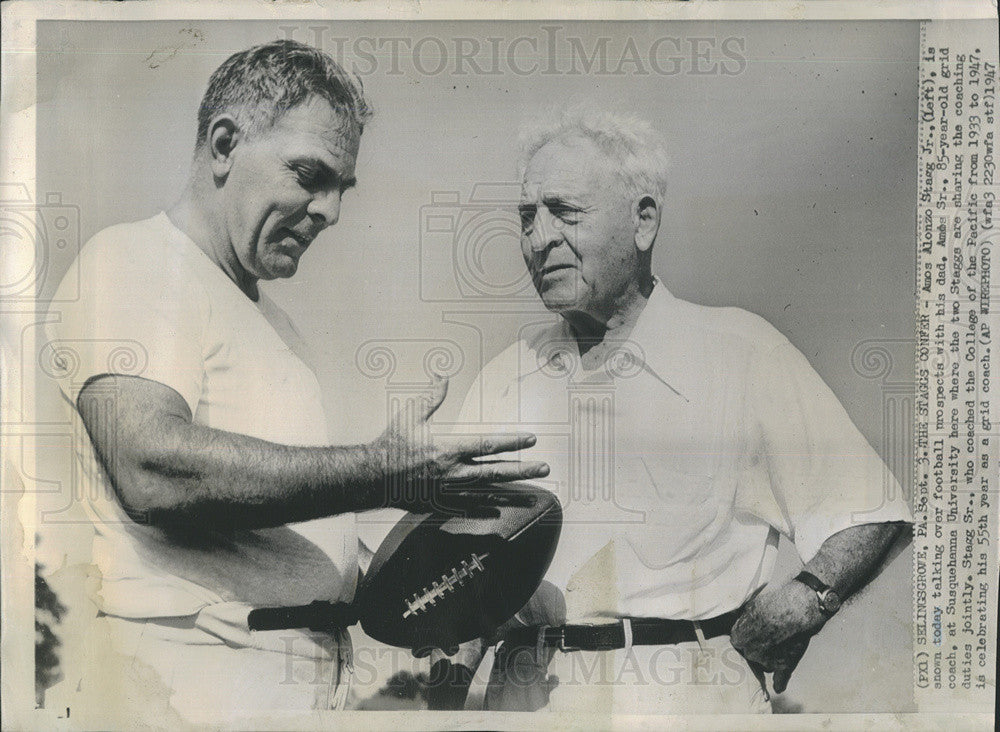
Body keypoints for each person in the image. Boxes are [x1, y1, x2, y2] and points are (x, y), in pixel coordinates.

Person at [43, 40, 548, 723]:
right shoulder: (135, 263)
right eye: (310, 174)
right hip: (192, 688)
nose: (330, 211)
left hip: (294, 687)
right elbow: (151, 470)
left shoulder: (271, 322)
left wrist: (435, 579)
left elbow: (275, 526)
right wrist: (383, 471)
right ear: (225, 145)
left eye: (343, 188)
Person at [440, 108, 912, 714]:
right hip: (527, 695)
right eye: (527, 218)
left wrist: (808, 598)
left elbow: (866, 505)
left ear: (644, 221)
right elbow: (461, 567)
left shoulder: (741, 353)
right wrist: (444, 686)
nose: (539, 238)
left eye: (565, 212)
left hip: (688, 698)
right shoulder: (503, 379)